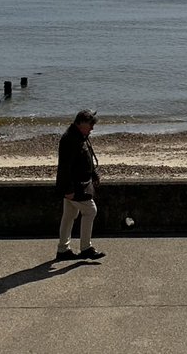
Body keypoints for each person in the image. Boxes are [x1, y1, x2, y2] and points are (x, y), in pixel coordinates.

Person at [55, 109, 105, 260]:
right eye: (90, 125)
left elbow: (87, 157)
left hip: (77, 184)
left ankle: (63, 249)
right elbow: (65, 167)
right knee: (91, 211)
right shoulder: (70, 139)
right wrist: (69, 189)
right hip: (76, 185)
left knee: (69, 215)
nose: (92, 128)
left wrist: (94, 174)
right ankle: (86, 248)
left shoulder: (78, 136)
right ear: (81, 123)